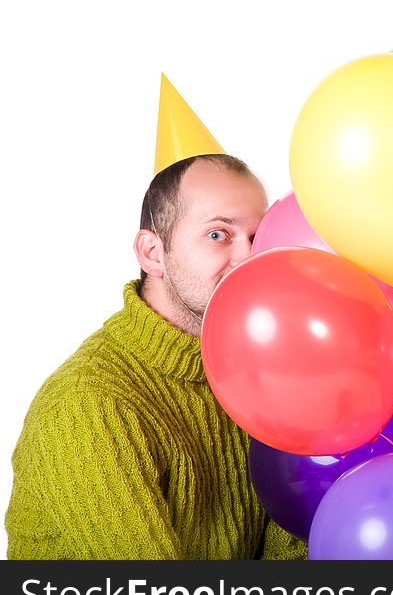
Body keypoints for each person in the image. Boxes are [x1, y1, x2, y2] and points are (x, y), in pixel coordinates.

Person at [5, 76, 307, 559]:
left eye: (257, 233)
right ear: (152, 252)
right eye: (217, 235)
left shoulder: (265, 378)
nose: (250, 259)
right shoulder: (92, 406)